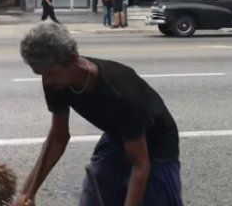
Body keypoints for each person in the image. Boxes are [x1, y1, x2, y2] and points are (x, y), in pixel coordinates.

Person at [14, 22, 182, 206]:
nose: (46, 81)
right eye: (41, 75)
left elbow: (140, 165)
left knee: (152, 198)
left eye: (50, 73)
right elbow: (58, 138)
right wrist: (27, 193)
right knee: (95, 197)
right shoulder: (56, 83)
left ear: (72, 59)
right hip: (118, 134)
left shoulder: (122, 93)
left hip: (156, 144)